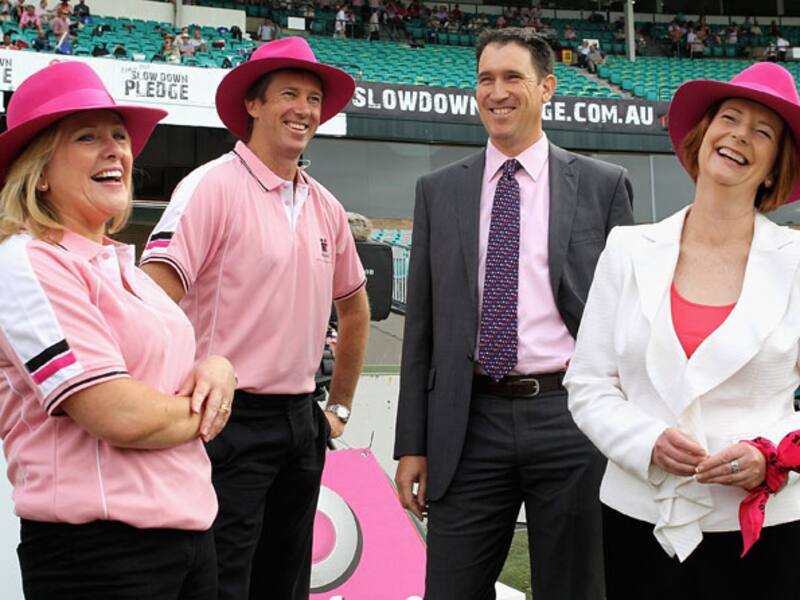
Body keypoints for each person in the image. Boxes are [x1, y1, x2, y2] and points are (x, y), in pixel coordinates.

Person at [394, 28, 633, 600]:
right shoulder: (438, 191)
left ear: (547, 87)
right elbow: (421, 329)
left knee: (577, 589)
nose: (496, 92)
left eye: (512, 78)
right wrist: (411, 444)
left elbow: (631, 319)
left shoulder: (603, 186)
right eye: (485, 79)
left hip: (571, 417)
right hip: (468, 423)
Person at [140, 37, 370, 600]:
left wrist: (336, 408)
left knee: (287, 583)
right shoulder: (210, 186)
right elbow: (150, 299)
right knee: (221, 583)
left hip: (300, 421)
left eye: (314, 98)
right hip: (223, 421)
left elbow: (356, 308)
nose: (305, 109)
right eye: (289, 93)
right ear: (253, 104)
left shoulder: (326, 206)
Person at [0, 60, 237, 600]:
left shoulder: (123, 269)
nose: (116, 150)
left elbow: (188, 372)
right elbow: (119, 415)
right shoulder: (28, 262)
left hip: (187, 541)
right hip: (100, 556)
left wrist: (218, 368)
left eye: (119, 136)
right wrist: (212, 407)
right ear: (38, 170)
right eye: (87, 137)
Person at [565, 62, 800, 599]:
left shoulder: (797, 262)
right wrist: (645, 441)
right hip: (638, 519)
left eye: (761, 132)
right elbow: (588, 383)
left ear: (772, 168)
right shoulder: (627, 248)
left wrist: (769, 457)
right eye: (729, 118)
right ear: (703, 135)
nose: (739, 134)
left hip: (765, 530)